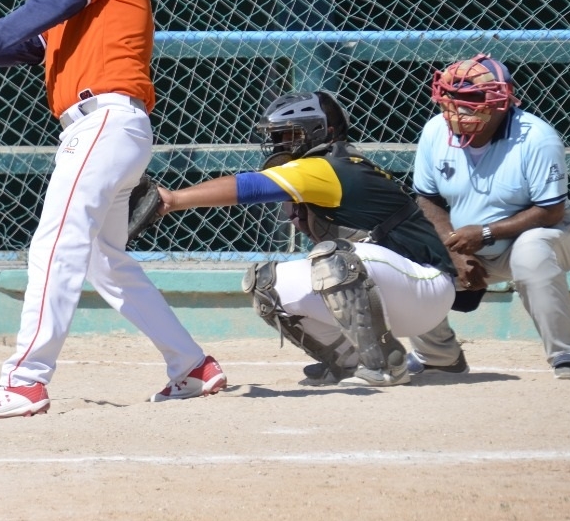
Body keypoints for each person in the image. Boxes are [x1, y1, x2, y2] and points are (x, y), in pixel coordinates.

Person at [0, 0, 226, 419]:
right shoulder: (74, 16)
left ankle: (25, 381)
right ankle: (192, 365)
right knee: (105, 260)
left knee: (57, 242)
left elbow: (50, 2)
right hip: (105, 129)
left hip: (104, 120)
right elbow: (21, 43)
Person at [153, 91, 458, 386]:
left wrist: (175, 200)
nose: (278, 144)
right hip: (397, 291)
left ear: (320, 132)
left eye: (289, 134)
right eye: (276, 136)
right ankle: (346, 362)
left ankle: (385, 365)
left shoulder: (328, 168)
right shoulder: (325, 167)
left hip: (427, 292)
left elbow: (252, 187)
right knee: (265, 283)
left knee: (334, 260)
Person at [408, 54, 570, 380]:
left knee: (531, 251)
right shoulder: (434, 131)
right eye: (451, 98)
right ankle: (438, 357)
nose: (460, 107)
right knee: (409, 255)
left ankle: (567, 355)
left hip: (544, 234)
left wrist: (487, 234)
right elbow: (428, 200)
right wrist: (453, 251)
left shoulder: (536, 137)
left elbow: (550, 210)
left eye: (473, 98)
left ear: (502, 101)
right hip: (465, 242)